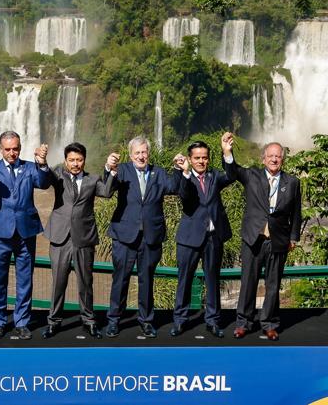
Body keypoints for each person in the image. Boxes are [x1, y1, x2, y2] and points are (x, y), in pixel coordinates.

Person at [222, 132, 302, 341]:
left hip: (278, 239)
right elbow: (233, 172)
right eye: (271, 156)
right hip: (253, 238)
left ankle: (269, 323)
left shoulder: (292, 182)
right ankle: (244, 323)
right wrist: (227, 152)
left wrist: (293, 238)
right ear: (263, 159)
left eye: (278, 157)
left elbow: (297, 213)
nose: (274, 159)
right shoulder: (252, 176)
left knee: (273, 284)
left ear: (282, 159)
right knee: (248, 281)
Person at [0, 131, 52, 340]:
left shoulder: (30, 167)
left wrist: (43, 163)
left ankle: (22, 322)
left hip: (26, 231)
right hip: (0, 232)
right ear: (1, 149)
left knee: (25, 279)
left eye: (16, 148)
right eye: (8, 149)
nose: (12, 152)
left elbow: (44, 183)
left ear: (20, 147)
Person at [105, 136, 182, 338]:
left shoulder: (159, 173)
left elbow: (174, 187)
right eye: (137, 153)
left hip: (150, 236)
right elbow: (107, 188)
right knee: (120, 279)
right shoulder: (122, 170)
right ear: (131, 155)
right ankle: (114, 320)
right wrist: (109, 168)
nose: (141, 156)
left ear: (149, 153)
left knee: (146, 280)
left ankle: (146, 321)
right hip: (124, 235)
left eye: (144, 152)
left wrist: (178, 168)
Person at [42, 143, 119, 340]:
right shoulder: (58, 174)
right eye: (72, 160)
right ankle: (53, 321)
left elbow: (107, 192)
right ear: (65, 161)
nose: (75, 164)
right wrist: (41, 162)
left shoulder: (92, 179)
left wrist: (110, 170)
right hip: (60, 237)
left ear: (84, 160)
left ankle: (89, 321)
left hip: (83, 237)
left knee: (86, 283)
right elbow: (45, 177)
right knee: (58, 281)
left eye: (79, 160)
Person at [170, 140, 235, 338]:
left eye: (204, 157)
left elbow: (232, 176)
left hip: (213, 237)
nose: (201, 161)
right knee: (184, 280)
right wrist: (186, 172)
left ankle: (213, 321)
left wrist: (227, 152)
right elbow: (185, 195)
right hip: (189, 238)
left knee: (213, 279)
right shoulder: (182, 176)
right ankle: (180, 321)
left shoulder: (215, 176)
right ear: (190, 159)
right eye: (197, 158)